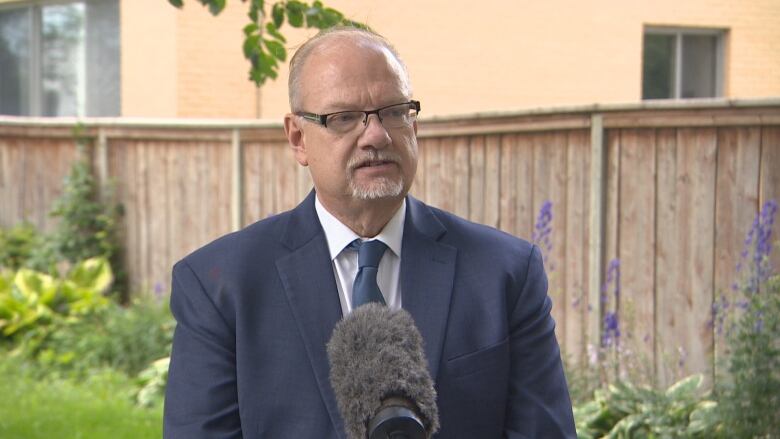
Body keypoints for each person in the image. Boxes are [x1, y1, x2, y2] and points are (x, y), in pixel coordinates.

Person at [163, 27, 575, 438]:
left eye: (394, 111)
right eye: (343, 118)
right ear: (297, 138)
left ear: (413, 126)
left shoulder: (504, 273)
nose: (376, 134)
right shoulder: (220, 286)